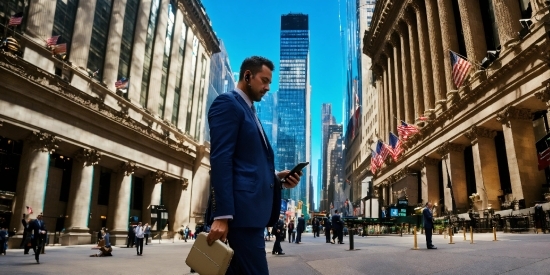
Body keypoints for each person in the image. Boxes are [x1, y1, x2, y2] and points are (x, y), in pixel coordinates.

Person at [205, 56, 301, 275]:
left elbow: (247, 165)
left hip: (250, 216)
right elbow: (221, 160)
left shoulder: (250, 111)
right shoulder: (228, 104)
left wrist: (277, 178)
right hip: (239, 217)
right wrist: (222, 215)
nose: (267, 88)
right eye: (264, 80)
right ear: (247, 76)